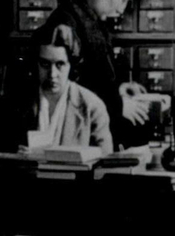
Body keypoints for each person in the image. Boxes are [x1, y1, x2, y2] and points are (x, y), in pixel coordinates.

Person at [46, 0, 151, 149]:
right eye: (122, 0)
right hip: (75, 138)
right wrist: (117, 105)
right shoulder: (66, 24)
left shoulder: (87, 16)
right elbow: (67, 87)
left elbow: (90, 76)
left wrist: (116, 91)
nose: (122, 9)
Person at [19, 20, 113, 154]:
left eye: (60, 64)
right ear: (36, 64)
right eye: (45, 64)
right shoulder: (20, 103)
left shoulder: (92, 107)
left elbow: (105, 164)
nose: (52, 74)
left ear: (71, 65)